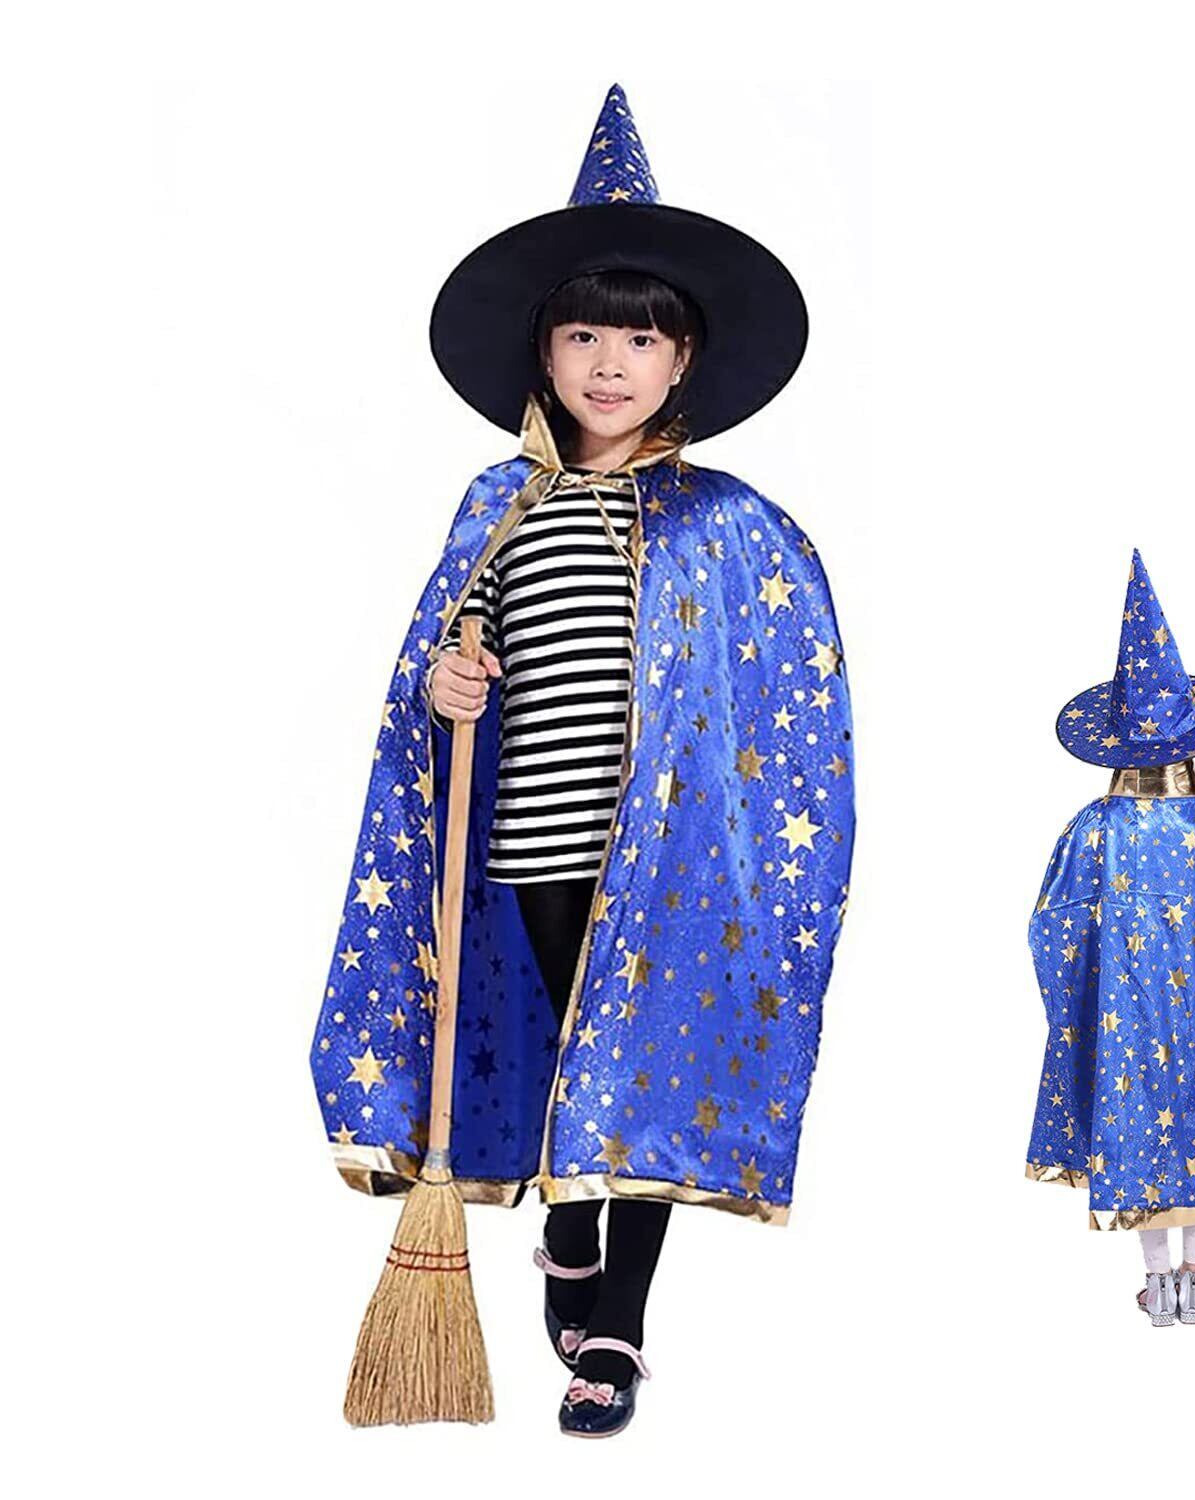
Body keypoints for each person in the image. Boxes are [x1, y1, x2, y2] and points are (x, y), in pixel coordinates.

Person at [309, 84, 855, 1437]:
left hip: (666, 866)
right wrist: (444, 682)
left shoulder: (726, 523)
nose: (612, 363)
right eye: (585, 335)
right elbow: (445, 664)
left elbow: (785, 706)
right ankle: (568, 1229)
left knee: (642, 1079)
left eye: (642, 338)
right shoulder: (500, 507)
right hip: (525, 850)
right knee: (566, 1054)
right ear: (545, 354)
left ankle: (615, 1331)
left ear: (684, 361)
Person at [1023, 550, 1195, 1327]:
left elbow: (1052, 925)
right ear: (1192, 747)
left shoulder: (1093, 830)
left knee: (1134, 1117)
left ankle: (1157, 1284)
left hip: (1125, 1018)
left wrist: (1078, 1000)